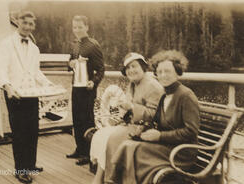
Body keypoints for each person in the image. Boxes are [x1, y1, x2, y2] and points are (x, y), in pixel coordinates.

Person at [105, 50, 200, 184]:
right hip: (167, 146)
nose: (163, 75)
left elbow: (191, 132)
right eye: (160, 72)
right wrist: (141, 132)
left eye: (167, 71)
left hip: (182, 152)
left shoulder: (186, 96)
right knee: (128, 145)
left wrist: (160, 136)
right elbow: (155, 122)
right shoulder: (164, 95)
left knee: (134, 150)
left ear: (178, 72)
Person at [0, 11, 51, 183]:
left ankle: (30, 165)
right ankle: (21, 169)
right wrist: (7, 86)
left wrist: (48, 84)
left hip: (31, 94)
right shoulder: (6, 44)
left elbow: (35, 72)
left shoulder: (34, 48)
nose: (27, 26)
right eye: (24, 22)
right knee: (19, 133)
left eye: (31, 24)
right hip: (14, 93)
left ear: (34, 26)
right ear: (18, 22)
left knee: (32, 131)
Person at [91, 52, 164, 184]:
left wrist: (131, 107)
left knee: (110, 138)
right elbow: (129, 112)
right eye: (128, 68)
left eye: (134, 66)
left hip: (147, 129)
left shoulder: (152, 85)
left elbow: (154, 115)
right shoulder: (133, 84)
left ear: (143, 67)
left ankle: (106, 179)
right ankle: (103, 178)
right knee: (101, 135)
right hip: (133, 126)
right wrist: (122, 117)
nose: (131, 70)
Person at [66, 15, 105, 166]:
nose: (77, 30)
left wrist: (93, 82)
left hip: (88, 90)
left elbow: (101, 69)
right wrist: (71, 63)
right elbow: (69, 63)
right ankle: (79, 149)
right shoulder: (75, 45)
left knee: (87, 120)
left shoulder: (93, 45)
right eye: (74, 27)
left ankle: (89, 153)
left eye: (80, 27)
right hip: (76, 87)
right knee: (76, 119)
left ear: (87, 27)